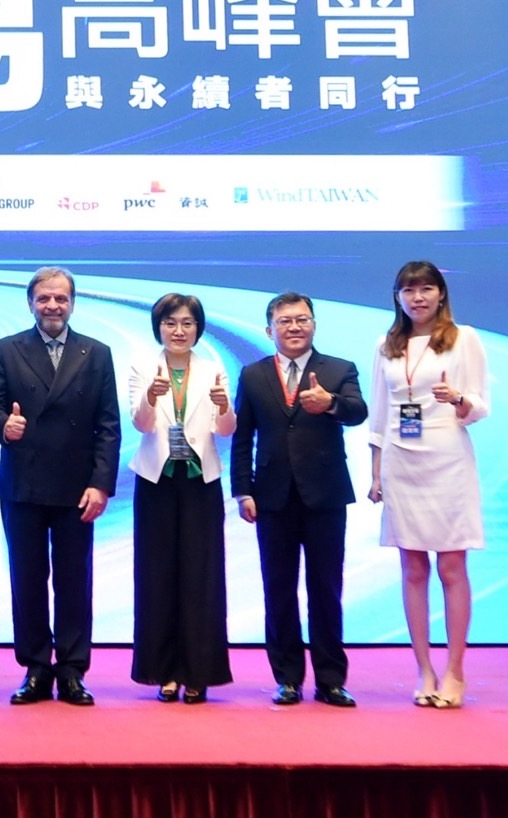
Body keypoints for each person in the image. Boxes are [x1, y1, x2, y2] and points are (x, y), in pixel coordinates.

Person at [0, 266, 121, 706]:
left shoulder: (96, 353)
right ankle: (37, 669)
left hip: (77, 488)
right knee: (27, 579)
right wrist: (5, 426)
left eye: (61, 298)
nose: (53, 306)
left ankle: (73, 671)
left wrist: (101, 484)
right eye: (44, 298)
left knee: (75, 580)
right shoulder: (6, 350)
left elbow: (108, 424)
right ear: (31, 303)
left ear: (73, 303)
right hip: (22, 483)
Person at [229, 291, 367, 708]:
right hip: (272, 497)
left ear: (314, 325)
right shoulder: (253, 374)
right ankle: (287, 678)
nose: (294, 327)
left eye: (302, 319)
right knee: (279, 589)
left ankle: (331, 680)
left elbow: (358, 411)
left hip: (325, 496)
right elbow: (243, 437)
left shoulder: (339, 369)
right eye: (285, 321)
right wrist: (243, 489)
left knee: (326, 588)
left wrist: (331, 404)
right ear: (269, 329)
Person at [367, 261, 488, 709]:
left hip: (447, 459)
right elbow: (380, 413)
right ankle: (424, 669)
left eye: (426, 289)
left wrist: (458, 399)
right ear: (397, 297)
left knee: (452, 567)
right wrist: (375, 472)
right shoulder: (386, 345)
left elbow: (480, 404)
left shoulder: (464, 338)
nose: (417, 298)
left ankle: (455, 670)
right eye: (409, 290)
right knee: (412, 568)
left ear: (441, 294)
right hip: (401, 462)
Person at [126, 293, 236, 704]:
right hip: (156, 482)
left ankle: (198, 673)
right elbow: (141, 424)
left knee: (201, 578)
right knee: (157, 577)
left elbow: (225, 430)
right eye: (170, 323)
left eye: (187, 323)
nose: (178, 331)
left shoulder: (212, 369)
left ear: (198, 328)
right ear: (158, 327)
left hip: (200, 483)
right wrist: (151, 397)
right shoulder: (142, 366)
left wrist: (225, 408)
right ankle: (164, 672)